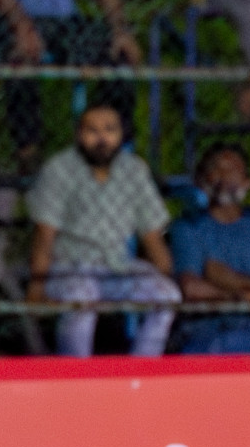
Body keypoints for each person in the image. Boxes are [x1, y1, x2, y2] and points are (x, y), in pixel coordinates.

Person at [0, 0, 140, 174]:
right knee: (19, 57)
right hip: (13, 18)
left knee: (117, 54)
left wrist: (121, 29)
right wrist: (22, 26)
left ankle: (114, 146)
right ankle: (28, 151)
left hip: (63, 21)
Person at [26, 103, 179, 357]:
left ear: (121, 135)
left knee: (167, 295)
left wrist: (165, 276)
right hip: (68, 267)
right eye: (92, 130)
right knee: (83, 295)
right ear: (78, 134)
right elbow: (45, 235)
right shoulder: (59, 169)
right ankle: (76, 376)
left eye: (110, 130)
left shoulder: (134, 170)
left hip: (118, 266)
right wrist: (36, 287)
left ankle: (143, 372)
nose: (102, 138)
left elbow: (152, 234)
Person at [170, 143, 250, 354]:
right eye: (215, 169)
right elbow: (191, 288)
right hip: (202, 328)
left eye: (232, 170)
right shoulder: (188, 226)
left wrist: (232, 281)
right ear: (201, 180)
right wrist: (247, 297)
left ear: (247, 182)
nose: (224, 177)